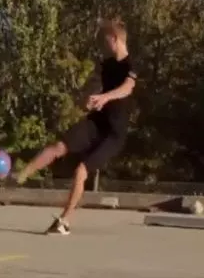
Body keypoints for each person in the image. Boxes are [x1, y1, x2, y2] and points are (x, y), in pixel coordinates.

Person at [14, 18, 137, 235]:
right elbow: (89, 93)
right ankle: (21, 175)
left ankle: (64, 222)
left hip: (113, 134)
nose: (102, 46)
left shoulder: (131, 65)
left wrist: (106, 97)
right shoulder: (104, 65)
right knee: (58, 147)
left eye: (104, 41)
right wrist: (87, 100)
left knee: (81, 171)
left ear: (115, 39)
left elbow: (127, 88)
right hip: (95, 123)